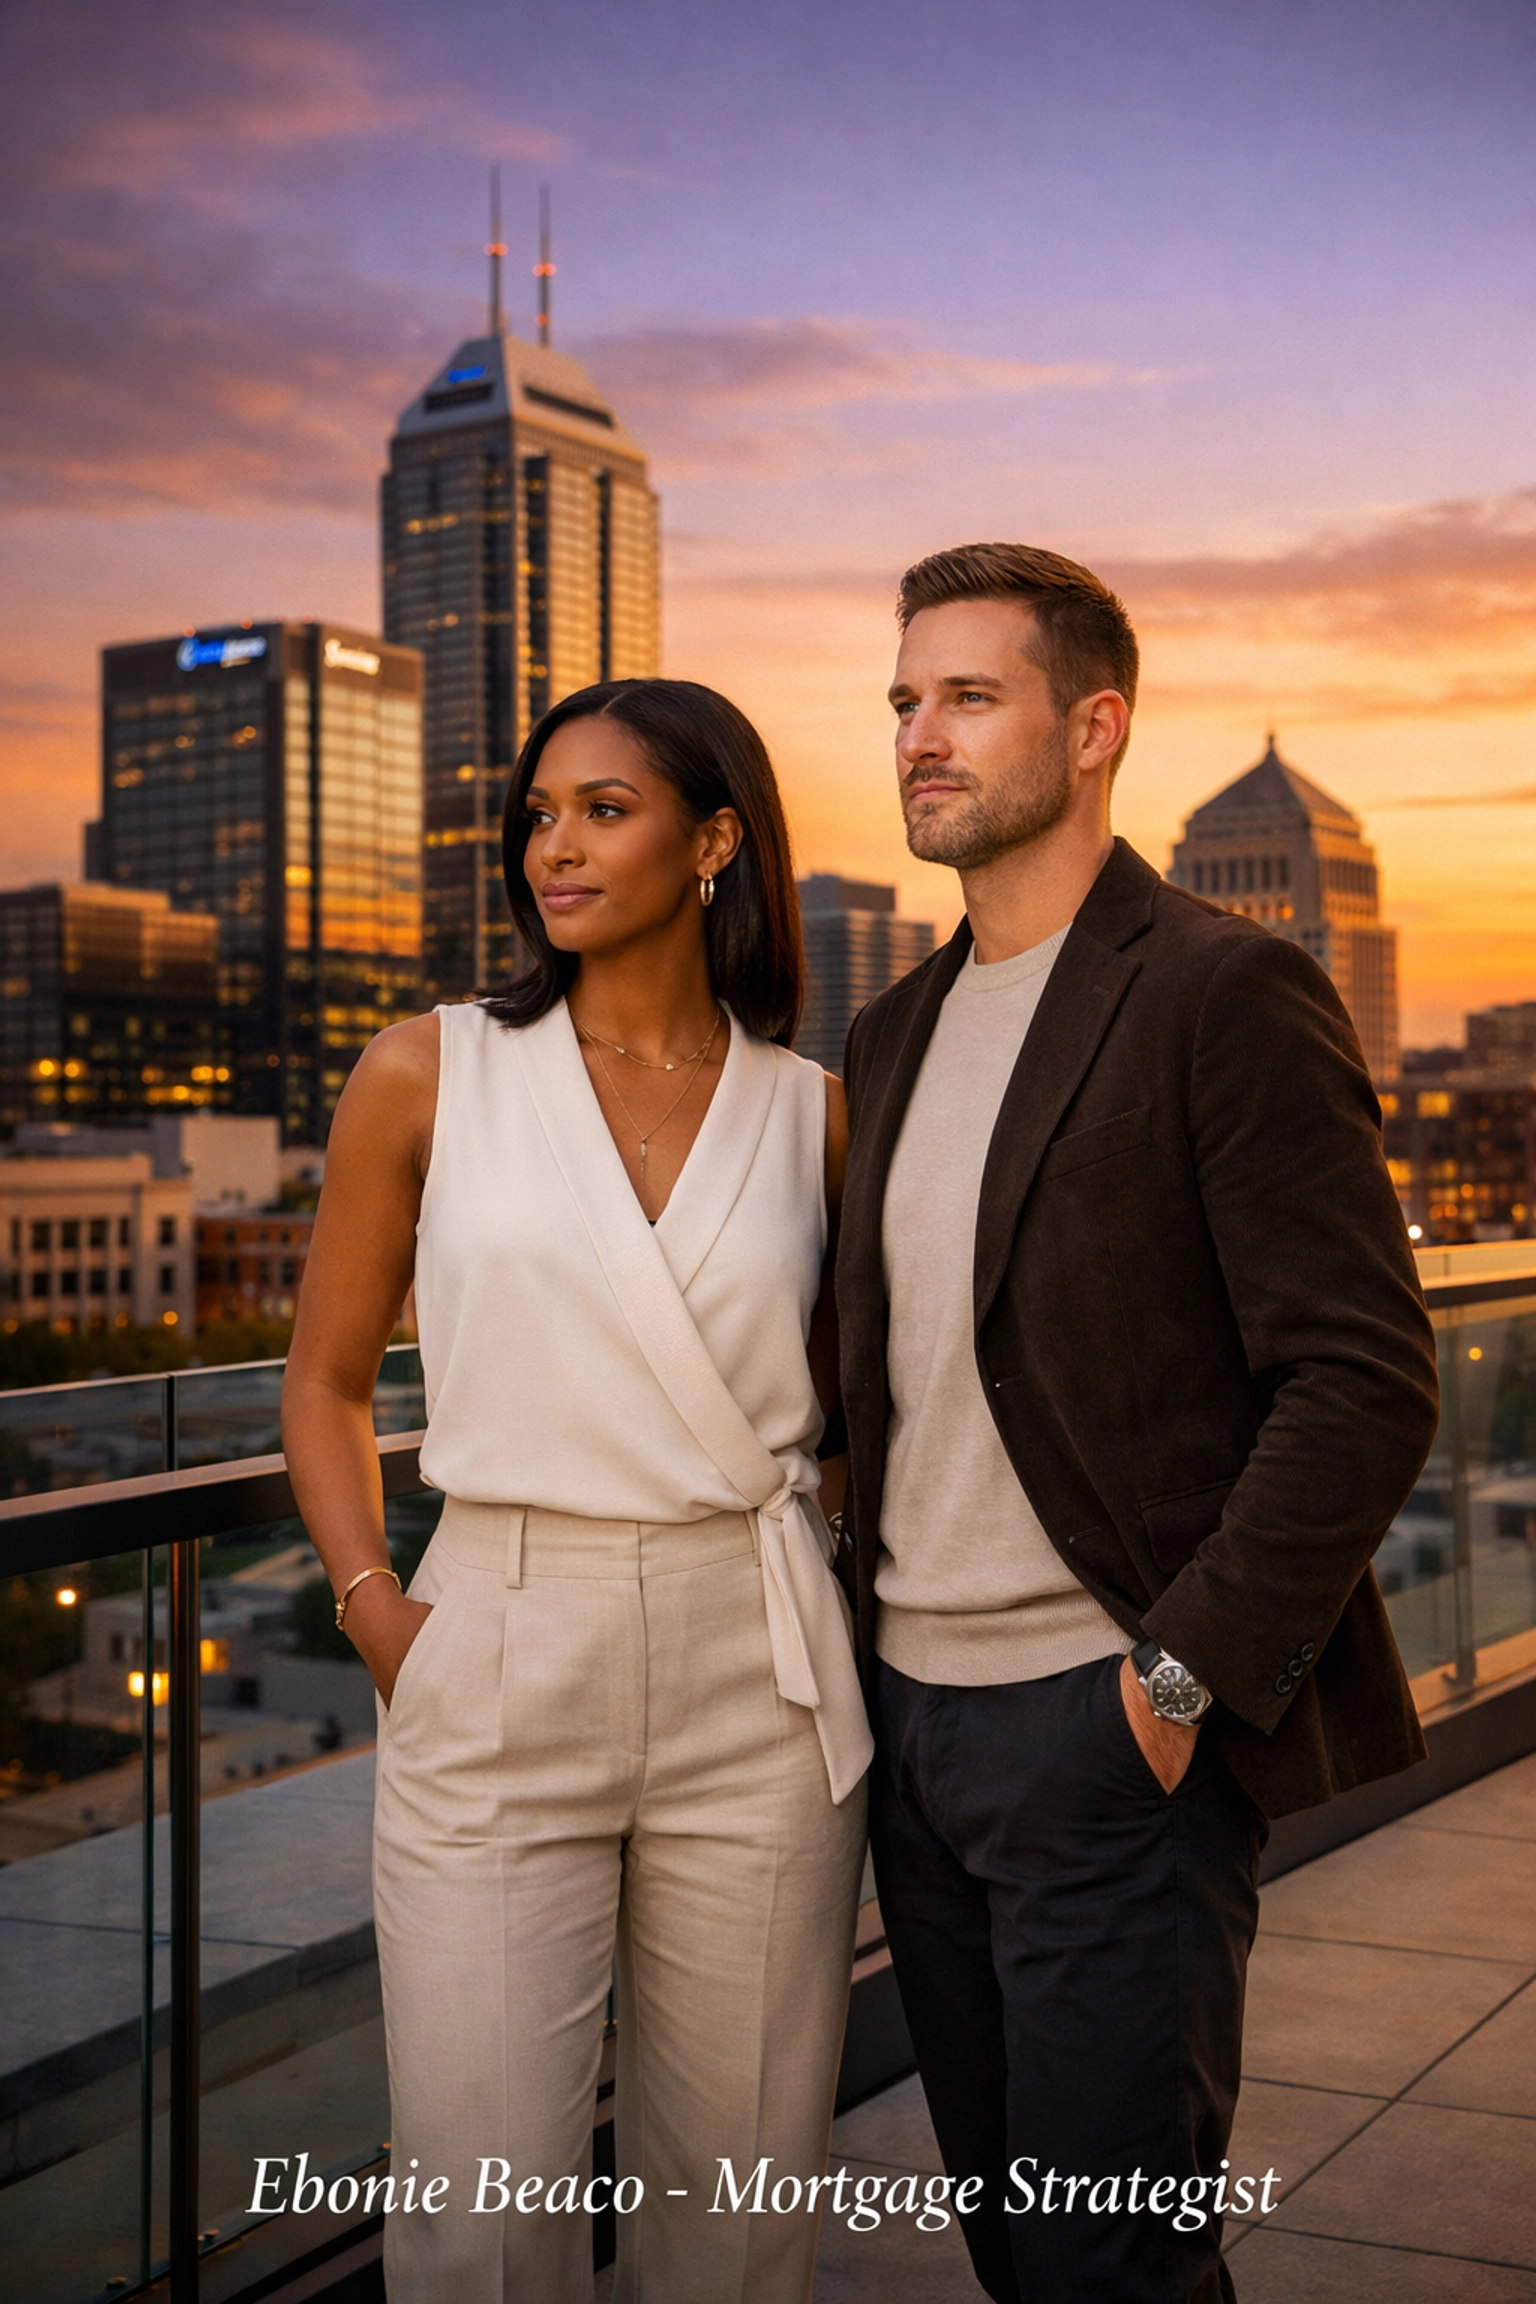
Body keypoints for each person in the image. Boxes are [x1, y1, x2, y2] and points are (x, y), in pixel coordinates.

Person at [834, 544, 1439, 2302]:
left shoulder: (1218, 989)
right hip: (915, 1738)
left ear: (1093, 728)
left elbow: (1362, 1379)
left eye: (966, 697)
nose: (918, 738)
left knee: (1120, 2275)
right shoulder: (888, 1033)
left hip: (1105, 1737)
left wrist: (1169, 1685)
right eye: (902, 702)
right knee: (1025, 2262)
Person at [281, 677, 871, 2303]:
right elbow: (323, 1386)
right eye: (538, 813)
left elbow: (853, 1413)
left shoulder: (815, 1112)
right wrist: (379, 1612)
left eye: (604, 810)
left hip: (756, 1671)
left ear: (716, 840)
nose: (553, 845)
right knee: (477, 2218)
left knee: (740, 2207)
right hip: (493, 1639)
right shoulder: (427, 1072)